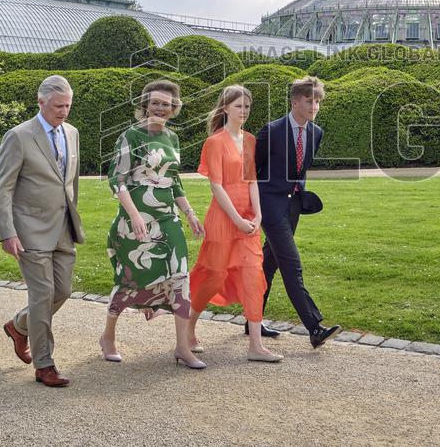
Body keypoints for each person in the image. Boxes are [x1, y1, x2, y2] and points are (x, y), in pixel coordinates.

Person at [99, 79, 206, 368]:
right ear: (145, 104)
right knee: (131, 280)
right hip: (137, 220)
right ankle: (108, 336)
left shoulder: (172, 138)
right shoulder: (130, 136)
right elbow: (116, 179)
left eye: (166, 104)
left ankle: (183, 348)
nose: (160, 108)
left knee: (181, 278)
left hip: (168, 219)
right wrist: (134, 215)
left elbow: (175, 181)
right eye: (155, 102)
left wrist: (190, 213)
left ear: (174, 109)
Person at [0, 75, 85, 388]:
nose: (64, 111)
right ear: (41, 102)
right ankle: (44, 364)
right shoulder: (19, 136)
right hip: (29, 228)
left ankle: (19, 326)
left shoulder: (72, 133)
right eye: (58, 106)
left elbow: (70, 182)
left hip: (63, 227)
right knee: (43, 293)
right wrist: (7, 232)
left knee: (62, 292)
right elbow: (3, 188)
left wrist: (74, 219)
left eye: (68, 105)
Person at [188, 85, 282, 363]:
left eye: (248, 107)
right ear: (225, 107)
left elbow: (252, 180)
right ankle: (189, 327)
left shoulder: (251, 140)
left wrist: (257, 216)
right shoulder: (214, 142)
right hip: (223, 220)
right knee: (213, 276)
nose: (244, 112)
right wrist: (237, 219)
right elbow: (216, 186)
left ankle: (255, 345)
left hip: (249, 222)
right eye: (239, 106)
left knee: (254, 277)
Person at [255, 76, 340, 348]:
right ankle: (314, 327)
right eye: (309, 100)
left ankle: (251, 320)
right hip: (269, 205)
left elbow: (301, 169)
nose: (314, 105)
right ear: (295, 101)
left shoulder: (316, 133)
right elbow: (252, 171)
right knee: (291, 264)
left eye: (317, 101)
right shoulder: (271, 130)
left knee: (269, 263)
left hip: (293, 205)